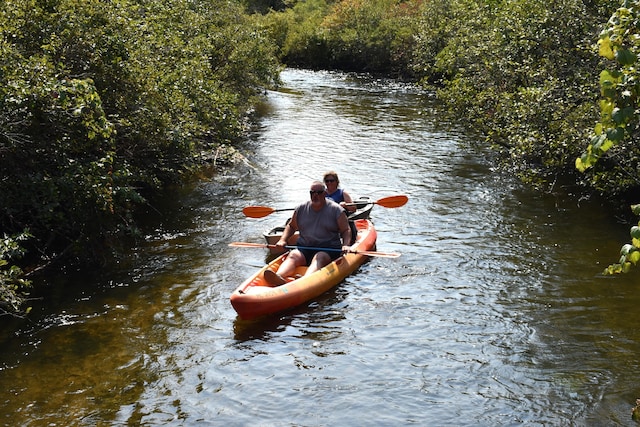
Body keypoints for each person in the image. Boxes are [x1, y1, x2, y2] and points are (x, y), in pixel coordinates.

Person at [264, 181, 352, 286]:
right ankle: (278, 277)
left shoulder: (336, 210)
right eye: (312, 193)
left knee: (319, 257)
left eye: (319, 193)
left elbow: (345, 230)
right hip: (305, 247)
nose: (315, 195)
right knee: (293, 255)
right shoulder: (301, 209)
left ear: (324, 194)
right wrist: (283, 240)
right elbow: (291, 226)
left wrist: (346, 245)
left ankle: (305, 280)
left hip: (328, 249)